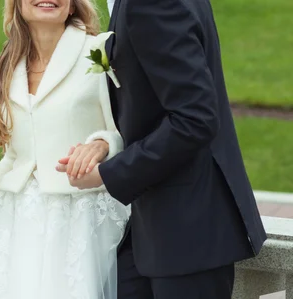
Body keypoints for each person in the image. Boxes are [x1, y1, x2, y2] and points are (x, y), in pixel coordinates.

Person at [56, 0, 267, 298]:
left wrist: (109, 173)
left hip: (187, 234)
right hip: (155, 230)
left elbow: (195, 119)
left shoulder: (150, 3)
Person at [0, 0, 130, 298]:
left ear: (73, 6)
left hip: (79, 220)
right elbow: (14, 160)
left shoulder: (100, 51)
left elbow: (130, 131)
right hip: (16, 224)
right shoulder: (7, 67)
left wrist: (101, 145)